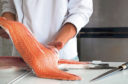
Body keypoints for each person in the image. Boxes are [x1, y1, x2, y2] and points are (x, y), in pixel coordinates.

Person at [0, 0, 93, 60]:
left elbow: (81, 10)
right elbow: (9, 6)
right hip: (21, 57)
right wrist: (8, 25)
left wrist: (58, 42)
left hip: (60, 57)